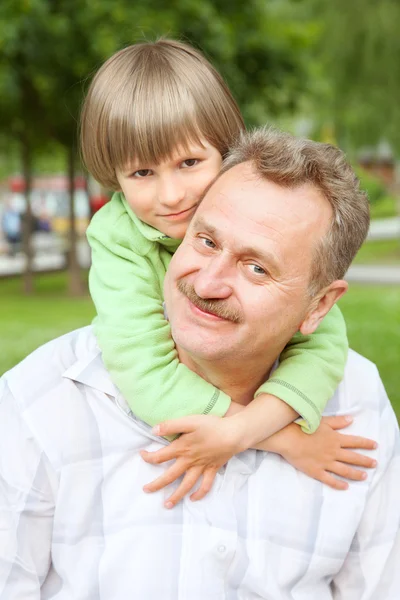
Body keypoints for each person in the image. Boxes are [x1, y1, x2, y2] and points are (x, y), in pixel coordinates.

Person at [1, 127, 399, 599]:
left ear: (318, 307)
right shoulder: (41, 401)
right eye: (206, 242)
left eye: (257, 268)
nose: (209, 283)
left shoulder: (357, 402)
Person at [81, 40, 349, 505]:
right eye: (142, 173)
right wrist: (275, 436)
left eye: (189, 163)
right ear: (115, 178)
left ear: (227, 151)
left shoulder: (259, 214)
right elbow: (141, 371)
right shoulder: (118, 238)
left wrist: (245, 426)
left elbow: (323, 344)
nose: (171, 195)